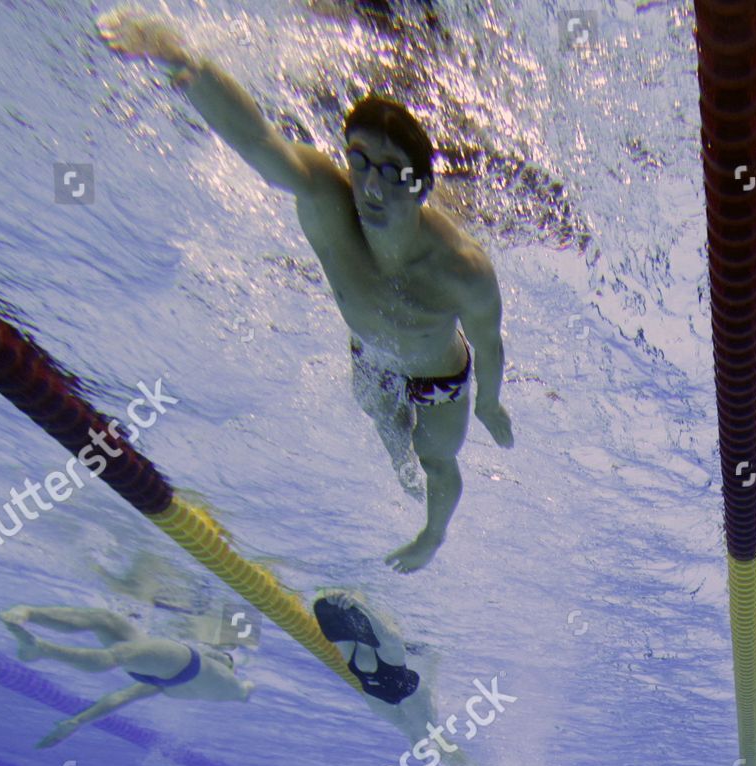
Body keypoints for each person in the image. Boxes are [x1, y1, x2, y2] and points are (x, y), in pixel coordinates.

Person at [98, 7, 515, 573]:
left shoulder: (463, 269)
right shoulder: (325, 196)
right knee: (381, 420)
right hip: (369, 353)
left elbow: (488, 343)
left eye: (390, 170)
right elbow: (258, 142)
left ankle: (432, 535)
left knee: (435, 460)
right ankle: (399, 467)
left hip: (439, 381)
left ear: (420, 188)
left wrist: (488, 402)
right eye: (360, 160)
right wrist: (182, 60)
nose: (369, 183)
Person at [0, 604, 253, 747]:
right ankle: (29, 614)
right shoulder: (228, 687)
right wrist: (78, 722)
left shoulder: (228, 677)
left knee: (118, 652)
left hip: (184, 663)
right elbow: (120, 698)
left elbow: (242, 680)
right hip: (167, 672)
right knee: (104, 619)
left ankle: (43, 649)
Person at [312, 589, 435, 738]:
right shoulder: (351, 647)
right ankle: (421, 745)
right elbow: (330, 622)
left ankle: (452, 757)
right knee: (408, 732)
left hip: (412, 693)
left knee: (428, 734)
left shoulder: (392, 649)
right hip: (378, 701)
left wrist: (360, 606)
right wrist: (332, 598)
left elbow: (386, 633)